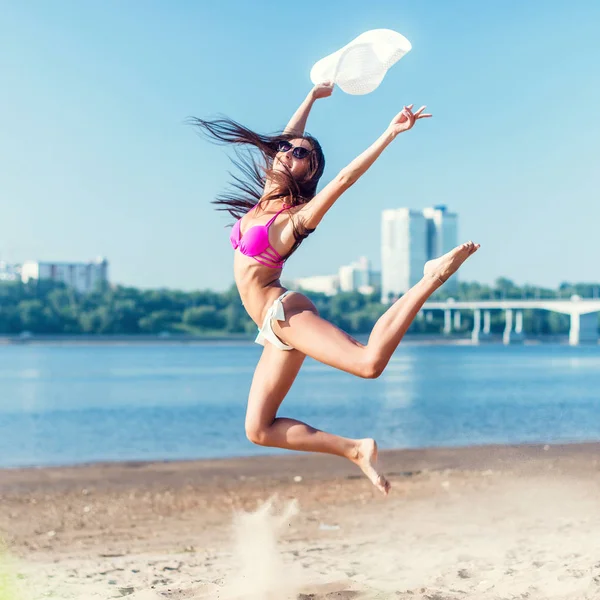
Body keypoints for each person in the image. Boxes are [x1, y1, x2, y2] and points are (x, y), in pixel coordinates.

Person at [192, 82, 479, 495]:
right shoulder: (264, 198)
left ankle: (431, 277)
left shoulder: (295, 218)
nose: (289, 153)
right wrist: (311, 98)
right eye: (286, 149)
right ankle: (355, 449)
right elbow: (288, 137)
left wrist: (390, 133)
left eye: (302, 154)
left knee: (368, 364)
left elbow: (345, 178)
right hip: (272, 331)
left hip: (284, 313)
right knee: (259, 429)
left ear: (309, 172)